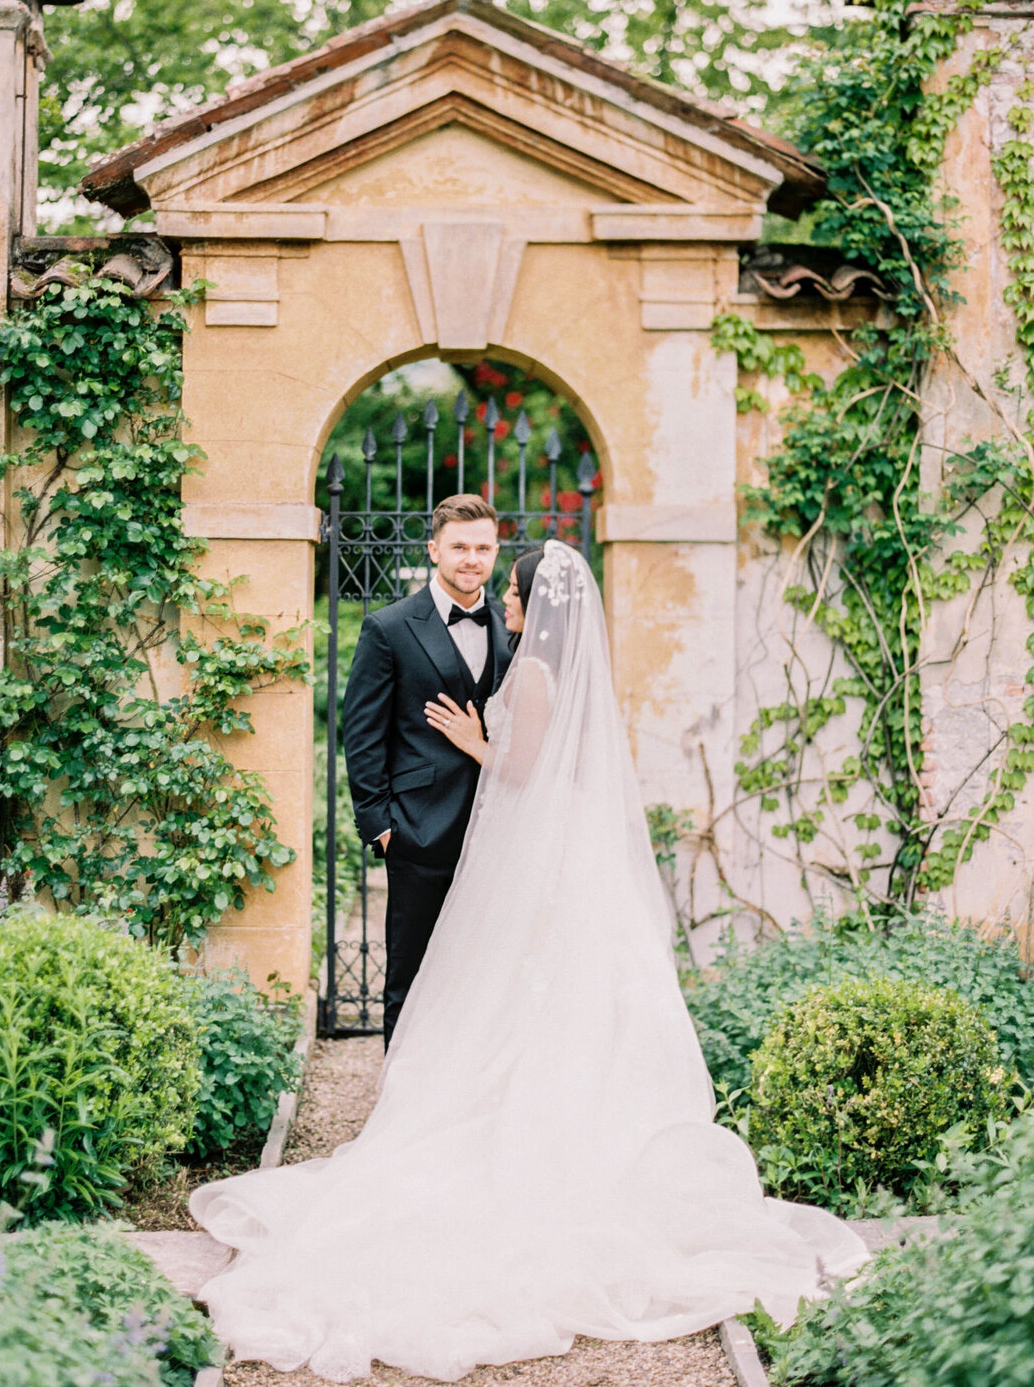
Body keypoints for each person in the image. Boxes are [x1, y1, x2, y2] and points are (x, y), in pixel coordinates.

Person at [191, 541, 867, 1382]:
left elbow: (528, 768)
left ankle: (523, 1131)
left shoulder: (539, 673)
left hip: (544, 862)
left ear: (527, 600)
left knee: (524, 999)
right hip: (540, 859)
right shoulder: (546, 663)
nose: (503, 603)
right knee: (547, 1004)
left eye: (509, 589)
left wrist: (478, 743)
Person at [340, 493, 514, 1046]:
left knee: (488, 977)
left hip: (503, 834)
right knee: (411, 978)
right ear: (434, 548)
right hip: (419, 831)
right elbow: (362, 733)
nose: (471, 558)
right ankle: (399, 1104)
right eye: (459, 546)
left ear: (495, 551)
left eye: (483, 547)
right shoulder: (389, 628)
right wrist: (382, 827)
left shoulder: (515, 632)